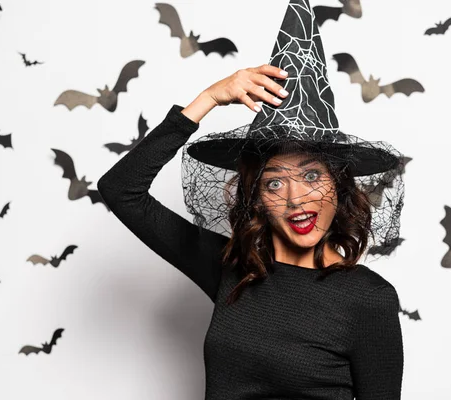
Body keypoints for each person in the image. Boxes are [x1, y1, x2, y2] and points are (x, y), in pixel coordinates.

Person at [98, 1, 404, 399]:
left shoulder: (369, 299)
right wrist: (207, 99)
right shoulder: (232, 270)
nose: (296, 199)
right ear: (256, 197)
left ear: (339, 184)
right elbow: (121, 191)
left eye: (312, 175)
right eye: (274, 183)